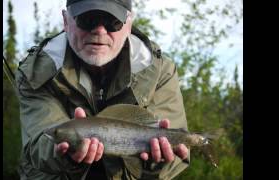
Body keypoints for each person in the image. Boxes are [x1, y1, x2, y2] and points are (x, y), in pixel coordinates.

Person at [15, 0, 189, 179]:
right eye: (87, 19)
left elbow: (178, 152)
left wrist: (156, 163)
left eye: (112, 22)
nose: (99, 31)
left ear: (128, 24)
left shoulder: (160, 70)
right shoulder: (36, 72)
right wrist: (66, 153)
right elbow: (38, 144)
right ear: (66, 21)